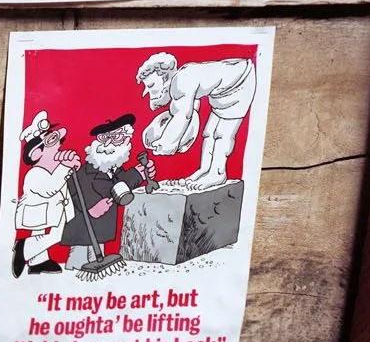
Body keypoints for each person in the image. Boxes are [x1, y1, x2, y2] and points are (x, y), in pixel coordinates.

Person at [137, 51, 258, 193]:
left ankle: (217, 173)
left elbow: (183, 116)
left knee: (222, 134)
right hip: (223, 92)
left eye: (151, 85)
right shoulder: (182, 83)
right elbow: (191, 116)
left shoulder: (180, 83)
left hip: (239, 84)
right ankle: (205, 170)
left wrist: (166, 142)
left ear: (164, 77)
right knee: (209, 132)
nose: (146, 92)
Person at [62, 114, 156, 266]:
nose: (109, 142)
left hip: (99, 229)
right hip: (81, 229)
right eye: (104, 137)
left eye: (117, 137)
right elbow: (76, 190)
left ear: (126, 140)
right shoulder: (86, 171)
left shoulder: (113, 169)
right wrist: (91, 207)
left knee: (97, 260)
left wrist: (140, 174)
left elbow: (119, 186)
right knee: (78, 260)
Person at [12, 112, 74, 277]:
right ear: (36, 154)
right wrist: (66, 168)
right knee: (51, 235)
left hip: (53, 210)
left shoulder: (55, 169)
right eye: (52, 142)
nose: (59, 146)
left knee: (44, 233)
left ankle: (37, 262)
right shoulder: (35, 173)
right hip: (38, 210)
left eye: (58, 141)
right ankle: (24, 248)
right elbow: (50, 188)